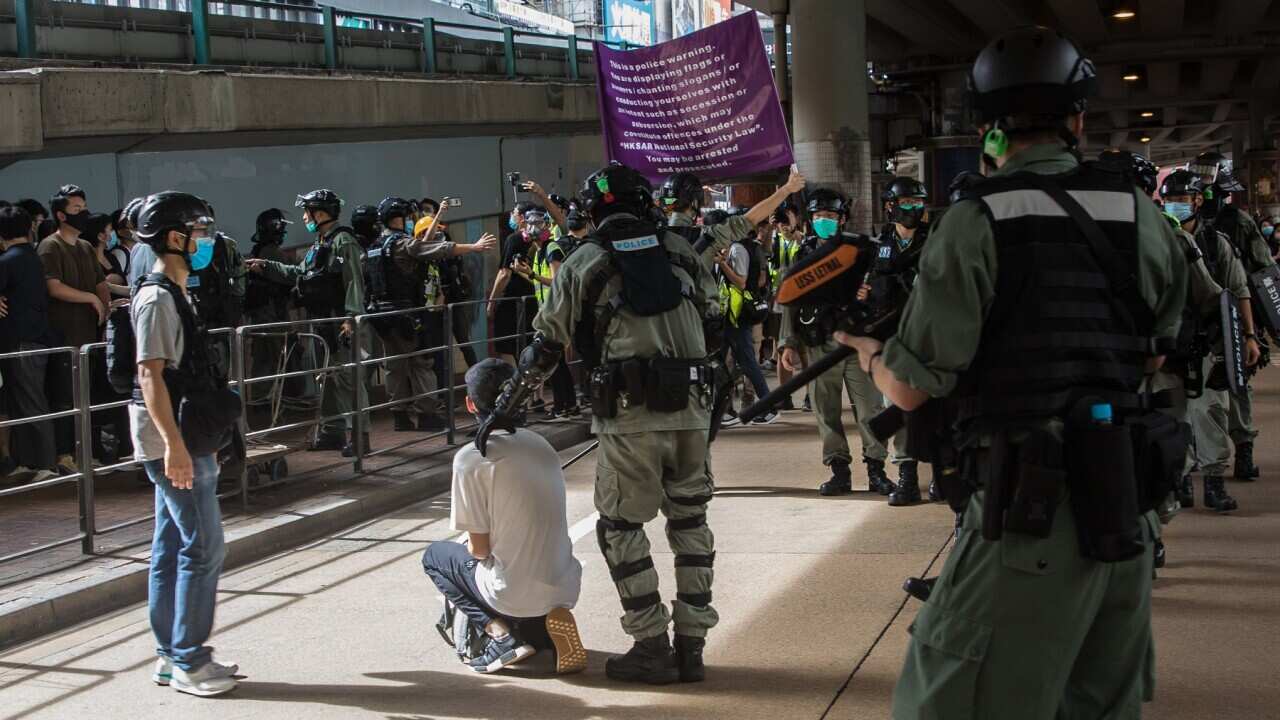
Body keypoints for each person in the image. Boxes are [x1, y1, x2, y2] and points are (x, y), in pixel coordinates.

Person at [834, 27, 1187, 716]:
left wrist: (867, 352)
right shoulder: (1140, 216)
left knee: (946, 699)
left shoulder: (976, 221)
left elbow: (912, 385)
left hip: (1028, 513)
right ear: (1078, 118)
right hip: (1123, 506)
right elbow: (1154, 352)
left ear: (989, 130)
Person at [475, 163, 722, 685]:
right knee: (690, 523)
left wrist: (503, 407)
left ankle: (652, 645)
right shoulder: (681, 251)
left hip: (630, 415)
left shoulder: (586, 261)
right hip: (692, 409)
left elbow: (545, 347)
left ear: (593, 212)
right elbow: (716, 321)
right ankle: (692, 647)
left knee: (621, 527)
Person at [129, 191, 239, 697]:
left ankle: (172, 656)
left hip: (183, 435)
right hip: (170, 439)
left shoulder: (177, 292)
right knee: (203, 548)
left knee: (171, 546)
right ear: (175, 238)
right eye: (198, 232)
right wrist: (174, 446)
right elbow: (150, 377)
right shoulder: (155, 298)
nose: (205, 240)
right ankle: (190, 660)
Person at [423, 358, 585, 675]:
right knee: (517, 563)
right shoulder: (542, 445)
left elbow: (480, 550)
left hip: (511, 590)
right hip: (565, 583)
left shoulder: (472, 457)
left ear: (470, 403)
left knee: (437, 557)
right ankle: (542, 633)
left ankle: (501, 635)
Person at [779, 189, 893, 497]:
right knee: (825, 410)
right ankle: (839, 470)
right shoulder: (804, 255)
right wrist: (787, 343)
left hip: (857, 342)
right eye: (818, 217)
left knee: (870, 407)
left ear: (842, 219)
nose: (823, 222)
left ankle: (876, 470)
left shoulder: (859, 252)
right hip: (818, 342)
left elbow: (881, 290)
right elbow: (791, 302)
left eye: (829, 217)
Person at [1159, 169, 1257, 513]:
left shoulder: (1217, 243)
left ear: (1198, 201)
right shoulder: (1157, 239)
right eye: (1170, 200)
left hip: (1209, 339)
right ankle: (1183, 480)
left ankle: (1213, 483)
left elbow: (1239, 291)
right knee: (1174, 415)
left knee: (1212, 410)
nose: (1176, 206)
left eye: (1182, 200)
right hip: (1170, 343)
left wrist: (1248, 336)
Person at [246, 189, 368, 457]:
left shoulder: (343, 242)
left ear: (320, 213)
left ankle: (360, 436)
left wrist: (351, 318)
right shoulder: (319, 244)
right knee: (327, 379)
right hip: (321, 320)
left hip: (339, 320)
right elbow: (300, 274)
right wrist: (265, 266)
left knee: (347, 379)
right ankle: (332, 432)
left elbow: (353, 282)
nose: (304, 217)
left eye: (307, 212)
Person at [1187, 151, 1272, 481]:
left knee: (1235, 389)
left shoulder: (1236, 223)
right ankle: (1222, 454)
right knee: (1212, 393)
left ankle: (1242, 451)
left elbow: (1261, 272)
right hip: (1214, 320)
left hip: (1235, 316)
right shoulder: (1221, 223)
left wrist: (1253, 329)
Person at [863, 177, 932, 506]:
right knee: (898, 404)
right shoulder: (876, 246)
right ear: (890, 206)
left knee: (936, 403)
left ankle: (943, 472)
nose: (913, 209)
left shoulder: (936, 241)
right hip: (891, 337)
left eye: (918, 203)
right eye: (906, 203)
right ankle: (907, 475)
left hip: (929, 334)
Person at [40, 184, 110, 472]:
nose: (83, 214)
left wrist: (104, 305)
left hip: (89, 335)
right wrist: (91, 298)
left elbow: (100, 282)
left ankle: (88, 450)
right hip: (64, 335)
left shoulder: (84, 247)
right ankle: (65, 453)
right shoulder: (50, 246)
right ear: (61, 215)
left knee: (88, 396)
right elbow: (53, 287)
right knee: (65, 397)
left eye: (84, 208)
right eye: (76, 210)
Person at [367, 196, 448, 433]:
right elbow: (431, 248)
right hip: (409, 312)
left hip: (382, 316)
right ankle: (427, 414)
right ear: (399, 218)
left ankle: (399, 415)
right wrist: (473, 247)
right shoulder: (403, 244)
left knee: (394, 367)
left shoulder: (373, 247)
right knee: (422, 363)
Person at [0, 206, 59, 482]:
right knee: (26, 400)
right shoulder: (33, 258)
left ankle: (46, 462)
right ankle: (29, 460)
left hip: (20, 340)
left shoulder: (8, 261)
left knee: (30, 401)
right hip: (37, 337)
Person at [717, 215, 775, 420]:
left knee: (747, 361)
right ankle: (723, 410)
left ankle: (768, 407)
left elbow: (741, 282)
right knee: (722, 361)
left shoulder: (739, 248)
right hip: (732, 312)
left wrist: (722, 264)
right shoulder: (747, 246)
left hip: (738, 313)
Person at [243, 209, 294, 399]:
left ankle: (260, 398)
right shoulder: (272, 253)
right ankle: (287, 399)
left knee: (262, 358)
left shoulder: (258, 250)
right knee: (282, 355)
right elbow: (290, 277)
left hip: (261, 314)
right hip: (272, 313)